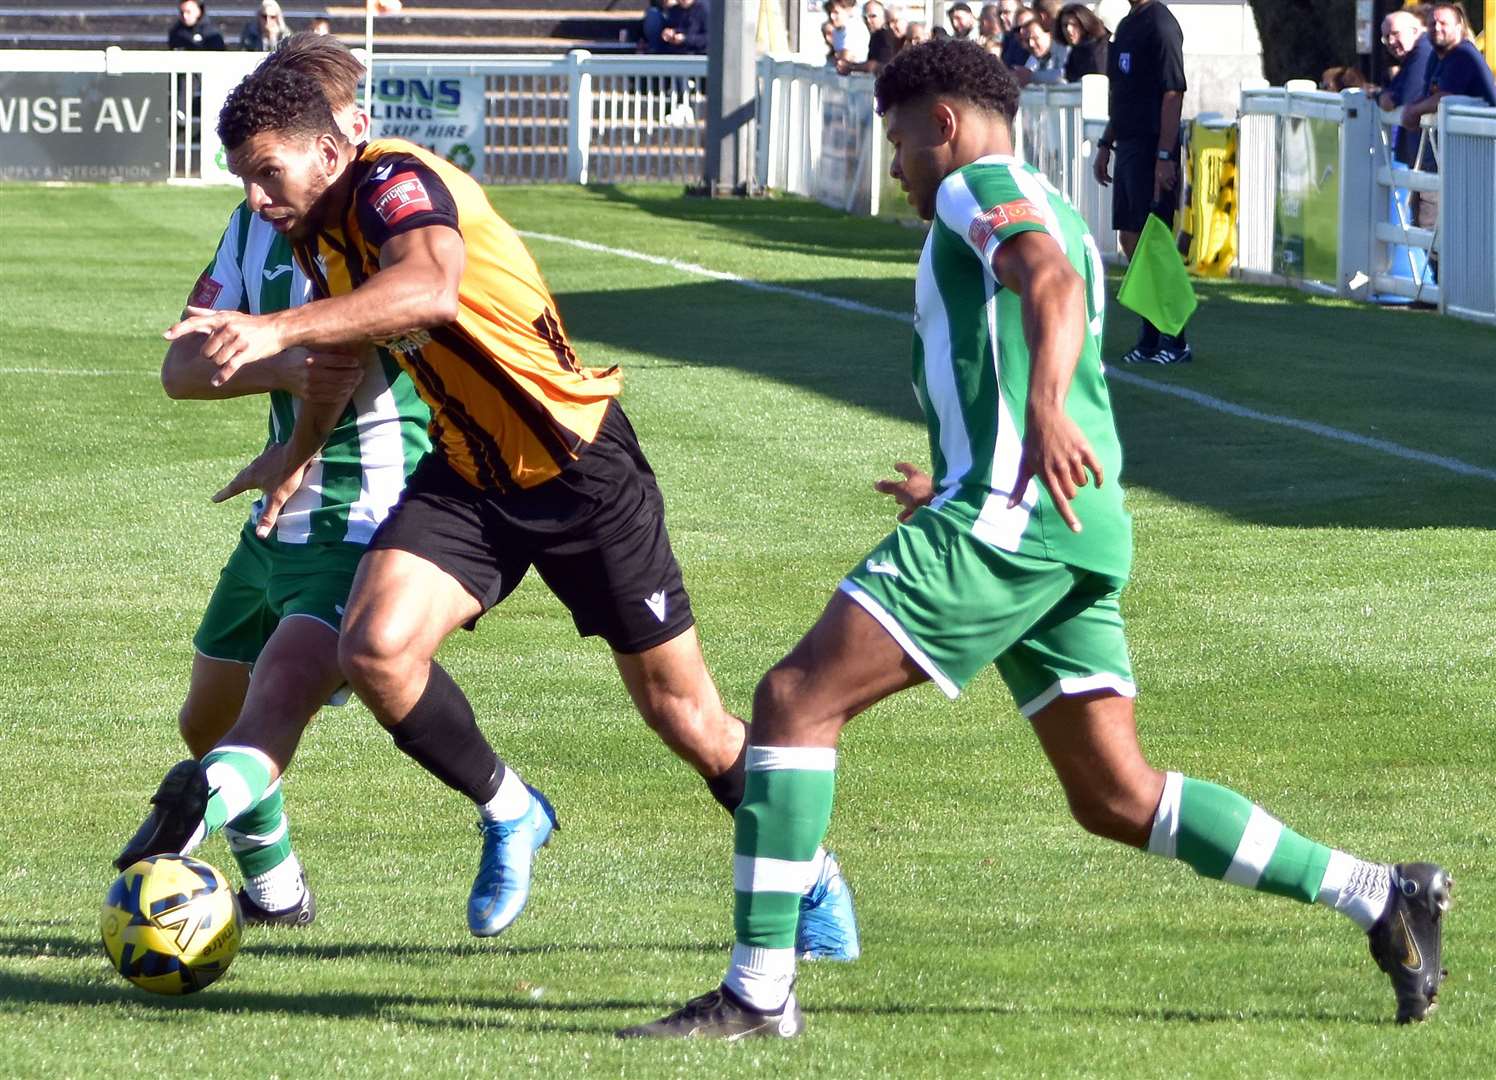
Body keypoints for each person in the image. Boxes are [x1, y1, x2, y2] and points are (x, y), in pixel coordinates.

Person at [619, 38, 1452, 1041]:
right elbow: (1027, 329)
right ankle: (1377, 891)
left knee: (793, 701)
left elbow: (1049, 287)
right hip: (1067, 522)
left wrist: (1040, 419)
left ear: (941, 124)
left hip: (1014, 522)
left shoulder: (979, 187)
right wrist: (968, 461)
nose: (893, 167)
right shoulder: (1038, 191)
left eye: (895, 140)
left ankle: (757, 993)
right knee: (1114, 795)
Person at [142, 48, 862, 957]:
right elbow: (330, 365)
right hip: (468, 474)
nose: (255, 196)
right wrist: (292, 451)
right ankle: (513, 809)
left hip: (580, 468)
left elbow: (432, 288)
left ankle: (812, 873)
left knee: (687, 718)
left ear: (330, 151)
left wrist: (270, 327)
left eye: (267, 172)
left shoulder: (392, 181)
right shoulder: (315, 236)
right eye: (243, 179)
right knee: (376, 649)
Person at [116, 34, 429, 929]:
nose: (267, 191)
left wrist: (277, 345)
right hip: (273, 513)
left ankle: (508, 806)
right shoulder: (253, 221)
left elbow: (383, 331)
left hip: (360, 512)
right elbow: (182, 366)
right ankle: (278, 890)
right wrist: (280, 364)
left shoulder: (379, 224)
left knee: (270, 710)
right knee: (205, 715)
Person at [1092, 0, 1191, 364]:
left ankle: (1175, 339)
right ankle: (1150, 335)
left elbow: (1172, 91)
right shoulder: (1128, 23)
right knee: (1131, 240)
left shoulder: (1161, 24)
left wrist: (1165, 156)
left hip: (1153, 146)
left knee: (1154, 242)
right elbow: (1123, 93)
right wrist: (1107, 143)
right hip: (1129, 144)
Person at [838, 1, 901, 74]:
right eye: (865, 17)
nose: (868, 21)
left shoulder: (885, 36)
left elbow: (877, 66)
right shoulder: (876, 35)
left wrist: (850, 66)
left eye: (873, 16)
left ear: (884, 17)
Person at [1058, 3, 1109, 81]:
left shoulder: (1100, 48)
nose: (1069, 30)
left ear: (1085, 23)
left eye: (1074, 24)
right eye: (1065, 25)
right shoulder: (1075, 51)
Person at [1014, 11, 1068, 84]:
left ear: (1049, 34)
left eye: (1035, 38)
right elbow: (1025, 75)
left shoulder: (1066, 51)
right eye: (1027, 40)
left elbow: (1066, 75)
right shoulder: (1035, 56)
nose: (1031, 44)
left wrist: (1032, 77)